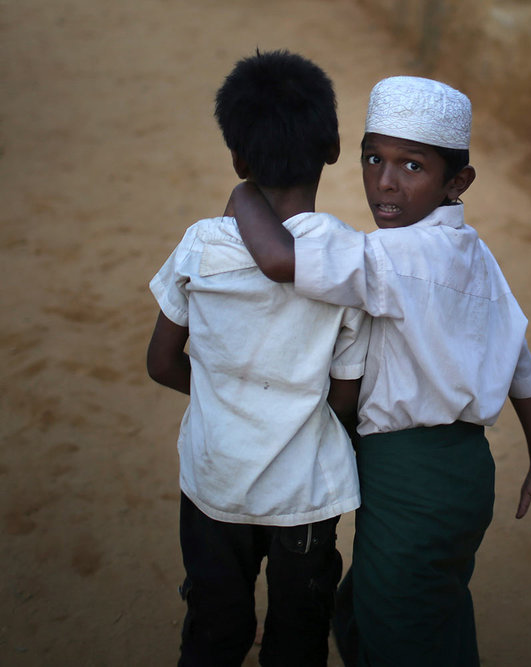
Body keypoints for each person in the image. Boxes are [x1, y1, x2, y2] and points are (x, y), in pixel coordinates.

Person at [229, 75, 531, 666]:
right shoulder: (469, 248)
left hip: (413, 478)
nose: (385, 182)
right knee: (405, 613)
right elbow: (517, 356)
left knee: (401, 633)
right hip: (458, 474)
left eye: (412, 166)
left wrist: (245, 192)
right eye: (374, 159)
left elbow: (278, 259)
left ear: (457, 181)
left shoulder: (399, 256)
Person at [146, 50, 371, 667]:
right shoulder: (349, 262)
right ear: (333, 148)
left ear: (239, 159)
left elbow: (163, 362)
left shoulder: (201, 245)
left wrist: (228, 393)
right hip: (304, 491)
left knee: (215, 629)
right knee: (299, 638)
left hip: (213, 481)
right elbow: (345, 397)